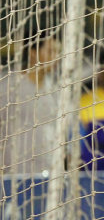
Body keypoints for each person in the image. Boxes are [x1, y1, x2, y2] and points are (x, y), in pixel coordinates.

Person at [0, 31, 60, 175]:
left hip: (49, 173)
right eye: (51, 51)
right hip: (13, 175)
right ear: (33, 52)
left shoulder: (56, 90)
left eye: (59, 52)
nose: (57, 57)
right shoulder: (8, 86)